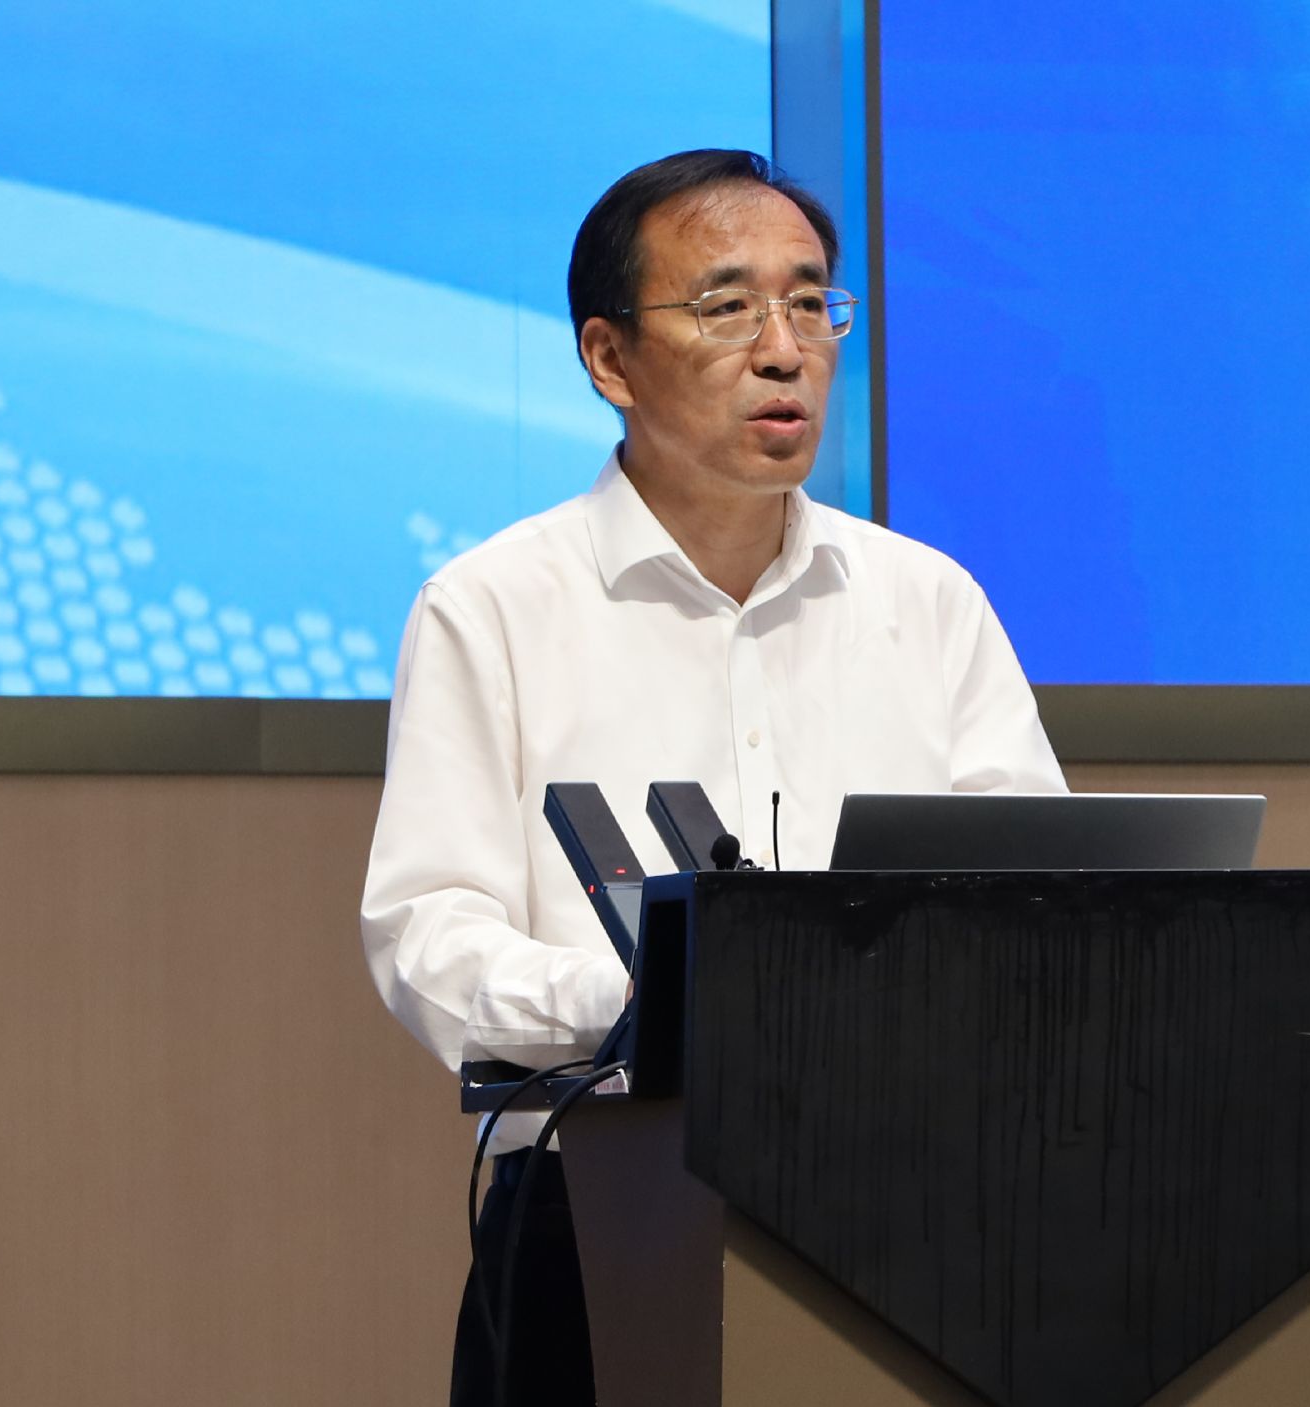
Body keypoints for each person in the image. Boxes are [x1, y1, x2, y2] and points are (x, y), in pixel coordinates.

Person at [360, 148, 1064, 1405]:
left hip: (905, 1212)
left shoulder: (927, 602)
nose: (784, 351)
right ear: (609, 357)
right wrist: (665, 1002)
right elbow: (429, 938)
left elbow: (1040, 903)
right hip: (600, 1216)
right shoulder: (495, 607)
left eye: (810, 303)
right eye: (727, 307)